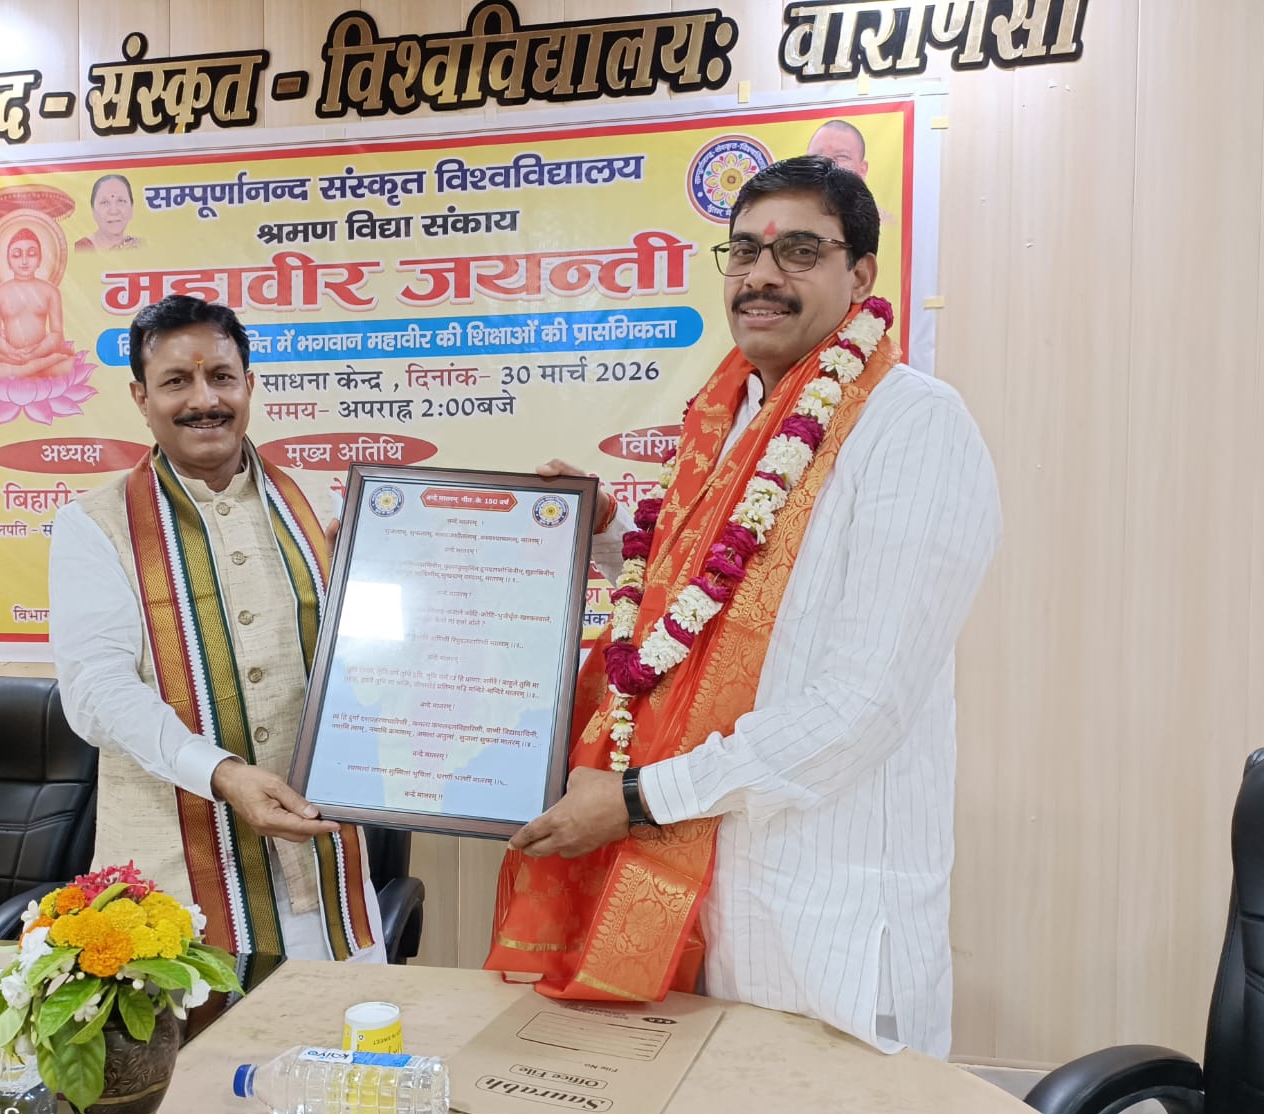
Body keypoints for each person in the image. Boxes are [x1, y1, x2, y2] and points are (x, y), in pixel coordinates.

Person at [487, 157, 1000, 1058]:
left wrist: (639, 798)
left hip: (825, 920)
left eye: (799, 250)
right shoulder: (725, 420)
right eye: (746, 252)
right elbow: (701, 599)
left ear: (861, 276)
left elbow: (862, 705)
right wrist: (605, 537)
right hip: (694, 897)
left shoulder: (913, 426)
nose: (762, 275)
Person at [48, 294, 383, 963]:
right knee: (193, 1034)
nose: (204, 400)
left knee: (342, 1029)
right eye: (176, 381)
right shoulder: (95, 524)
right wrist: (222, 773)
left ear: (248, 385)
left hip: (322, 867)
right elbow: (96, 692)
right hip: (172, 885)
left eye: (222, 377)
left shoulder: (320, 505)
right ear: (142, 397)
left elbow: (374, 659)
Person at [0, 227, 75, 380]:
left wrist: (35, 353)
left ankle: (26, 369)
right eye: (16, 255)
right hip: (10, 357)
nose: (24, 261)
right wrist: (12, 352)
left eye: (32, 254)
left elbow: (57, 333)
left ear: (40, 259)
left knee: (72, 365)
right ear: (8, 261)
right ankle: (28, 370)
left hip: (42, 353)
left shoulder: (50, 291)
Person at [74, 174, 142, 252]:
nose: (113, 211)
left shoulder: (139, 245)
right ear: (93, 210)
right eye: (104, 202)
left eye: (121, 201)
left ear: (131, 208)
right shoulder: (81, 248)